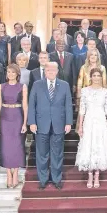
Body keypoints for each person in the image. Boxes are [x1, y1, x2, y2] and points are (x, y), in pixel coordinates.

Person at [28, 62, 73, 190]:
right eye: (48, 70)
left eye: (53, 70)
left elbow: (68, 105)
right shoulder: (37, 85)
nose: (51, 72)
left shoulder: (64, 85)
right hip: (41, 124)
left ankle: (56, 179)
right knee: (42, 154)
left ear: (57, 71)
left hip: (59, 124)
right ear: (45, 71)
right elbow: (32, 104)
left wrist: (69, 122)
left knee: (57, 154)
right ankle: (43, 179)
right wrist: (32, 122)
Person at [75, 68, 107, 188]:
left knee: (99, 146)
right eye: (94, 75)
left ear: (101, 77)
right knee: (89, 146)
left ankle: (97, 175)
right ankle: (90, 175)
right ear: (90, 77)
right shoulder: (84, 91)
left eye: (98, 75)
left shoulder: (105, 91)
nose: (96, 77)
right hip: (88, 121)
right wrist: (80, 126)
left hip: (101, 122)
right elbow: (82, 110)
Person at [0, 64, 28, 188]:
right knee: (6, 146)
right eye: (8, 72)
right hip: (4, 117)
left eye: (13, 72)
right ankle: (9, 173)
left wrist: (25, 123)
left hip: (18, 117)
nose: (10, 74)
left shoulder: (22, 87)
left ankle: (16, 173)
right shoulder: (1, 87)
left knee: (18, 146)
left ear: (17, 74)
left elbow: (25, 105)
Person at [76, 49, 107, 118]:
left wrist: (105, 98)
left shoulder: (102, 68)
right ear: (88, 56)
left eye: (95, 55)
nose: (93, 56)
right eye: (91, 54)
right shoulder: (83, 68)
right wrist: (79, 98)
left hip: (99, 97)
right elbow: (79, 84)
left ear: (98, 57)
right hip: (86, 97)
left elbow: (104, 84)